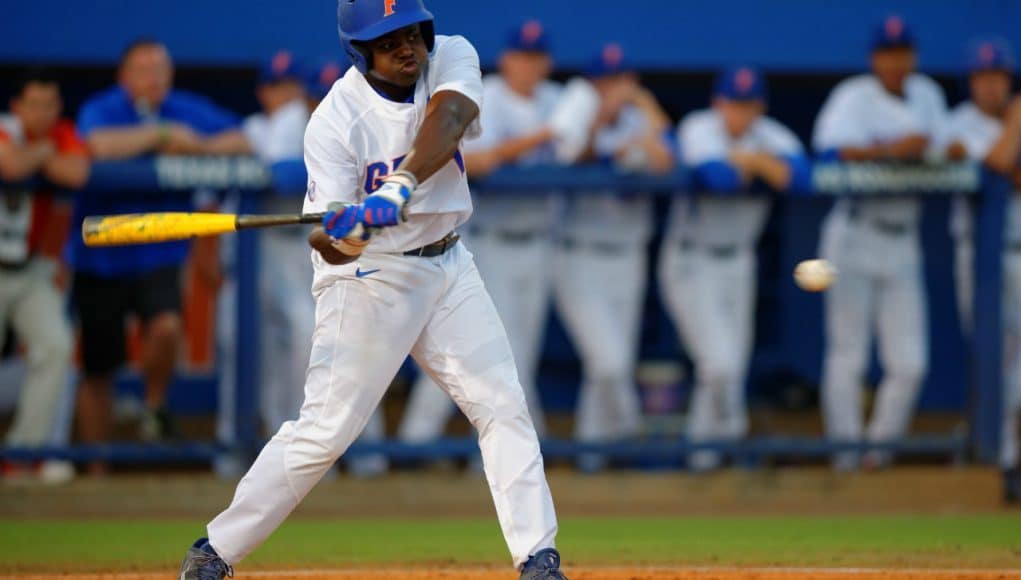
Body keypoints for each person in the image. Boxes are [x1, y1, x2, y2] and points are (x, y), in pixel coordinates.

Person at [178, 2, 566, 579]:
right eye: (388, 41)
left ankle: (538, 559)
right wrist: (348, 233)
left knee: (503, 405)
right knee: (324, 434)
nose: (407, 48)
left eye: (412, 33)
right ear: (361, 51)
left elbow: (452, 115)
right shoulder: (334, 121)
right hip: (370, 278)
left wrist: (400, 183)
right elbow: (325, 241)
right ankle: (215, 551)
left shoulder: (451, 56)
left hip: (449, 262)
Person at [73, 40, 250, 468]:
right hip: (101, 256)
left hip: (159, 253)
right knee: (98, 368)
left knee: (168, 328)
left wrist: (199, 149)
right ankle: (94, 470)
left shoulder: (183, 106)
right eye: (143, 69)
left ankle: (153, 407)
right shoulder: (105, 107)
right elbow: (95, 146)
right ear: (124, 76)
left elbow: (242, 140)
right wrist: (161, 134)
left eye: (161, 69)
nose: (154, 79)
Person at [398, 20, 560, 446]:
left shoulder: (556, 100)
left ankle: (513, 445)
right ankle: (417, 445)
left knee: (510, 354)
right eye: (522, 56)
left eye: (537, 57)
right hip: (486, 243)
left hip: (539, 242)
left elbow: (581, 144)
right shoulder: (483, 92)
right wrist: (537, 140)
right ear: (507, 59)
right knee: (468, 353)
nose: (529, 66)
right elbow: (473, 159)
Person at [812, 15, 947, 471]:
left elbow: (947, 149)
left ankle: (877, 456)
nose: (896, 61)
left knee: (910, 363)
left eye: (903, 52)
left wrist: (929, 151)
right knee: (847, 353)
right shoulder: (853, 97)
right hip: (853, 229)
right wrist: (893, 149)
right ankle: (845, 455)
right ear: (875, 58)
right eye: (888, 52)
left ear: (913, 56)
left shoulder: (929, 94)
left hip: (903, 236)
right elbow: (830, 153)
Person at [660, 67, 806, 471]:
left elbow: (802, 178)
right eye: (732, 104)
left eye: (748, 105)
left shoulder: (770, 134)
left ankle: (704, 459)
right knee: (719, 364)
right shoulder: (699, 127)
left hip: (738, 261)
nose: (739, 114)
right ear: (718, 103)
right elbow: (719, 177)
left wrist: (751, 159)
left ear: (760, 106)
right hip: (691, 259)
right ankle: (729, 441)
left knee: (729, 368)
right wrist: (762, 166)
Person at [550, 44, 674, 472]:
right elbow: (575, 155)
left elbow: (667, 160)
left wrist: (644, 108)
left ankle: (591, 454)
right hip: (578, 255)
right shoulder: (577, 115)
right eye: (605, 81)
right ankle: (627, 435)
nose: (614, 88)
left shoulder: (642, 120)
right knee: (610, 361)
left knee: (605, 364)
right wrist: (603, 117)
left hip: (628, 255)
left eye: (621, 79)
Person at [937, 38, 1021, 503]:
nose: (991, 85)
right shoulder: (958, 126)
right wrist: (1017, 119)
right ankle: (1007, 464)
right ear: (971, 82)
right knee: (1003, 367)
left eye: (999, 77)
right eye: (983, 77)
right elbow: (1000, 163)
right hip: (988, 259)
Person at [0, 69, 86, 484]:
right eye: (34, 104)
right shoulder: (6, 128)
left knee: (55, 344)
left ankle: (20, 457)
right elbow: (11, 164)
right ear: (17, 106)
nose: (43, 112)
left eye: (50, 104)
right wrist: (45, 152)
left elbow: (76, 173)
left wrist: (45, 149)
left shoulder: (63, 132)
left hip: (31, 269)